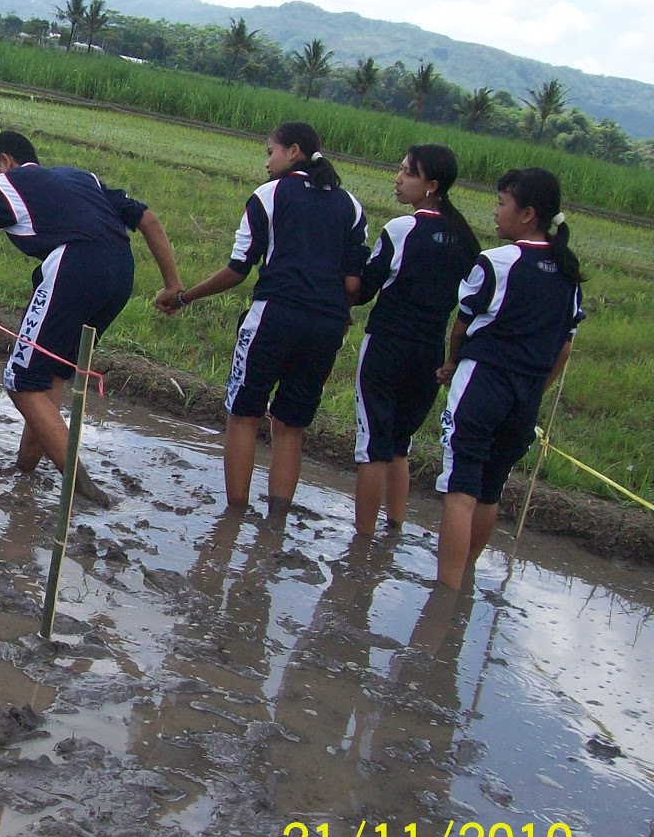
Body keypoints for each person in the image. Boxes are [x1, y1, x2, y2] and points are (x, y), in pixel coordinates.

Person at [0, 130, 184, 507]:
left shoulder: (5, 186)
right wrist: (172, 286)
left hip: (74, 268)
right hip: (121, 272)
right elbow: (149, 221)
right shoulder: (81, 178)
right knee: (51, 373)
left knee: (20, 378)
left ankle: (82, 485)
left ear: (5, 162)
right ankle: (25, 468)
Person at [159, 121, 367, 514]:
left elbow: (238, 269)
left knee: (244, 415)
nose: (267, 162)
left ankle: (235, 515)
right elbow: (354, 285)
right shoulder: (350, 206)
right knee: (291, 428)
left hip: (274, 316)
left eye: (270, 152)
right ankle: (275, 523)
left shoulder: (268, 196)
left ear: (294, 151)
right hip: (326, 325)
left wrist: (184, 297)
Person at [434, 167, 584, 589]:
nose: (495, 212)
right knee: (490, 488)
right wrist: (538, 388)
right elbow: (564, 348)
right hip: (526, 394)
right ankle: (463, 583)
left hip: (484, 383)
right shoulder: (568, 273)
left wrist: (451, 364)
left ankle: (444, 595)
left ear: (528, 214)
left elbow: (461, 327)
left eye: (502, 203)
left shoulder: (498, 261)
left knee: (461, 489)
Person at [350, 144, 479, 534]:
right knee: (400, 444)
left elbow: (363, 292)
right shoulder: (465, 240)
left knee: (373, 446)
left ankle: (362, 539)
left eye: (408, 172)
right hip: (430, 352)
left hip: (387, 344)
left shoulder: (402, 230)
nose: (398, 177)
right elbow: (473, 308)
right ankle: (394, 528)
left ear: (432, 185)